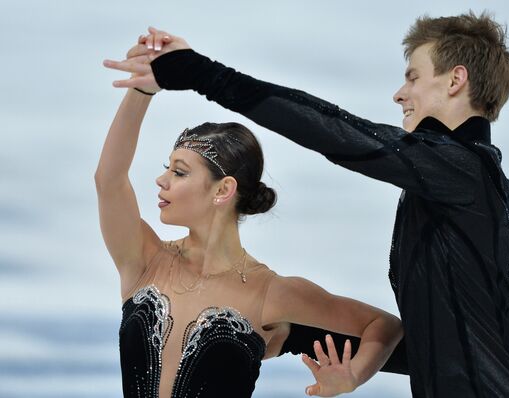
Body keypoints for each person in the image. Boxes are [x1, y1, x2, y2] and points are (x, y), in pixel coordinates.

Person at [103, 11, 509, 397]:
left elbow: (336, 133)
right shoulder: (443, 187)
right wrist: (296, 337)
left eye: (413, 75)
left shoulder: (462, 169)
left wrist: (202, 74)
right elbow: (447, 346)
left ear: (456, 79)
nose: (399, 93)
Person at [94, 80, 402, 396]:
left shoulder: (270, 293)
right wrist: (142, 90)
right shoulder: (145, 260)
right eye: (167, 169)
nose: (161, 180)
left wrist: (352, 377)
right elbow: (109, 181)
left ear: (223, 190)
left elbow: (384, 326)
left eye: (179, 172)